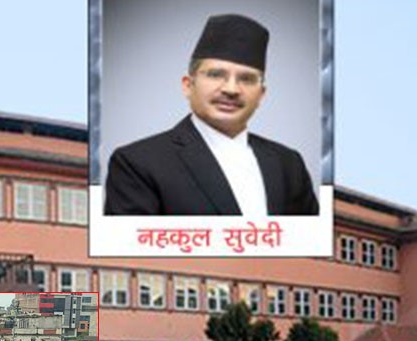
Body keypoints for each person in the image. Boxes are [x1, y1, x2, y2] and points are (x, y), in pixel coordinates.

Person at [104, 13, 319, 216]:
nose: (231, 89)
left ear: (261, 94)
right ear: (188, 85)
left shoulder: (288, 164)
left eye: (246, 79)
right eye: (216, 74)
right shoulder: (138, 162)